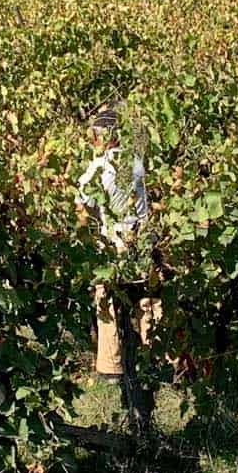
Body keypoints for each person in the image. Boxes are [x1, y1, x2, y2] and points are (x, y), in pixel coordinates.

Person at [76, 106, 153, 381]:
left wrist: (88, 237)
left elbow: (81, 206)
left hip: (116, 243)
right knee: (147, 300)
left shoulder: (100, 167)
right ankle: (154, 358)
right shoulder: (137, 161)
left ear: (101, 137)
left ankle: (111, 367)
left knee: (106, 301)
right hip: (142, 239)